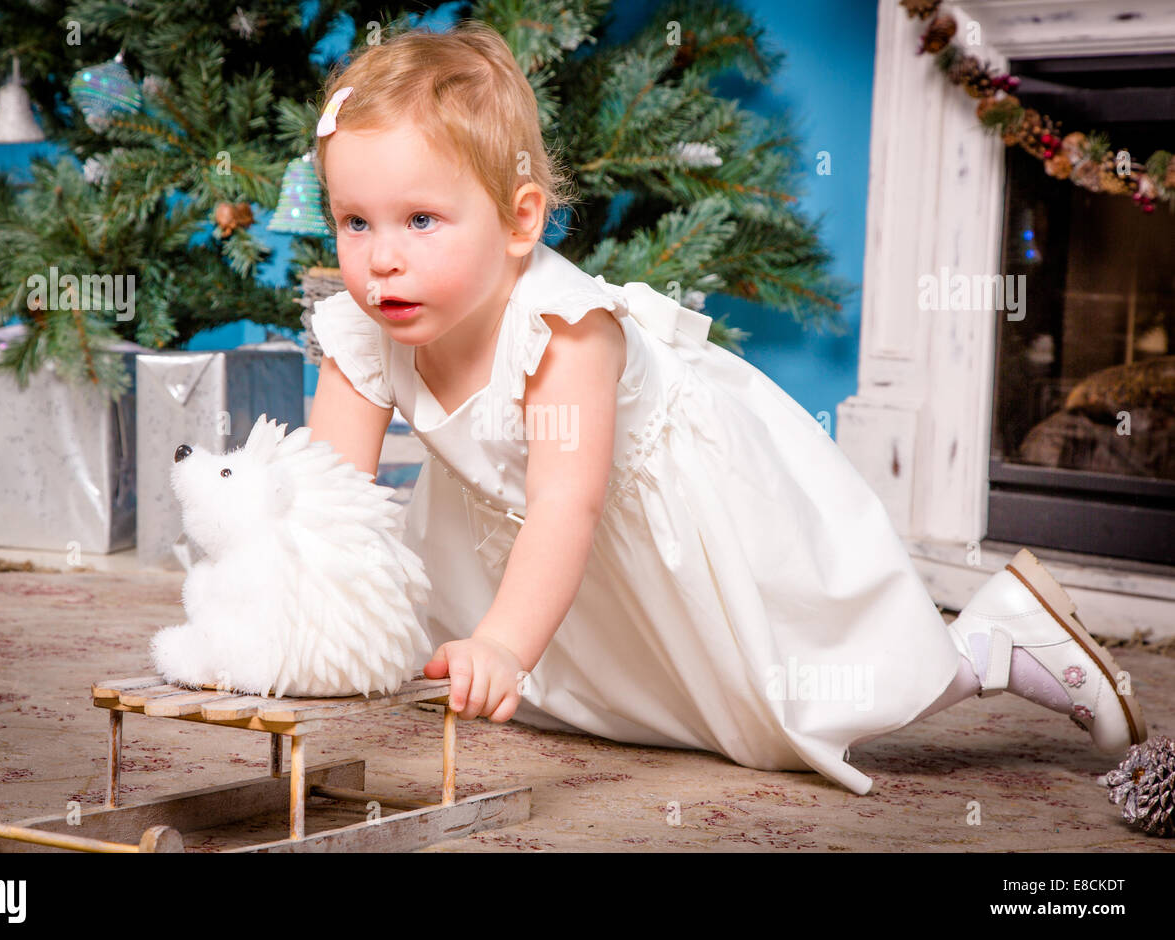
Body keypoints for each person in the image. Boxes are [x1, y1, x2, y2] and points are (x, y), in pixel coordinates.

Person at [304, 21, 1147, 795]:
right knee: (589, 702)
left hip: (677, 503)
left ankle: (994, 646)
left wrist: (501, 645)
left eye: (420, 220)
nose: (381, 261)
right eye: (355, 222)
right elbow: (326, 504)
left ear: (520, 220)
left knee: (786, 709)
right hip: (527, 540)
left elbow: (568, 508)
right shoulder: (363, 326)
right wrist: (291, 617)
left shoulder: (563, 334)